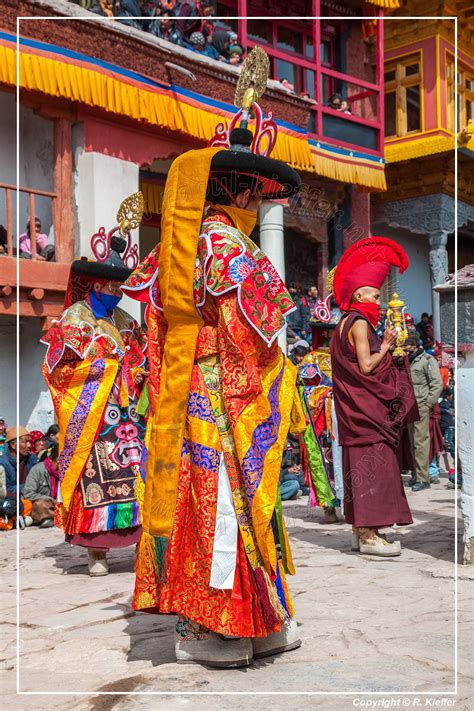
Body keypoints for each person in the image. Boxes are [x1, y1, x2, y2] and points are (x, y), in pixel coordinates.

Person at [122, 79, 305, 667]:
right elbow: (257, 330)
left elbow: (151, 325)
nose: (255, 205)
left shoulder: (176, 246)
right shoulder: (230, 246)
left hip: (188, 393)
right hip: (226, 392)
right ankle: (241, 626)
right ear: (240, 192)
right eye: (253, 193)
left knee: (211, 503)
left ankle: (235, 624)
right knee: (236, 501)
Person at [41, 202, 148, 577]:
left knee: (134, 478)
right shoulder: (73, 320)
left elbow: (143, 360)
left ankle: (136, 542)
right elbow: (56, 370)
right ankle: (96, 553)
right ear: (97, 285)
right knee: (94, 480)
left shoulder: (126, 321)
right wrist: (102, 369)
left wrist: (136, 372)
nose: (118, 292)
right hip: (92, 418)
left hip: (127, 418)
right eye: (113, 286)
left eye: (122, 286)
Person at [329, 237, 419, 556]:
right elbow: (366, 366)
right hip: (367, 413)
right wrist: (389, 344)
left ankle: (359, 531)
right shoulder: (360, 324)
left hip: (353, 410)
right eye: (375, 295)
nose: (378, 302)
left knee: (359, 468)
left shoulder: (342, 324)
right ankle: (370, 536)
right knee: (376, 468)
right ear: (359, 294)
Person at [404, 334, 443, 492]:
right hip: (410, 406)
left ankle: (423, 478)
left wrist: (428, 403)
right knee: (413, 443)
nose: (405, 351)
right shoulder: (408, 360)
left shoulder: (427, 360)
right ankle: (416, 474)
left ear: (414, 346)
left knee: (421, 442)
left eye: (407, 348)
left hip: (421, 406)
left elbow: (436, 384)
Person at [23, 444, 60, 528]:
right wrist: (50, 499)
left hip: (58, 504)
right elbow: (28, 493)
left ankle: (53, 518)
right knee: (40, 505)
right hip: (45, 504)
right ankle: (53, 518)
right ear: (59, 459)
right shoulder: (37, 470)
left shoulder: (67, 471)